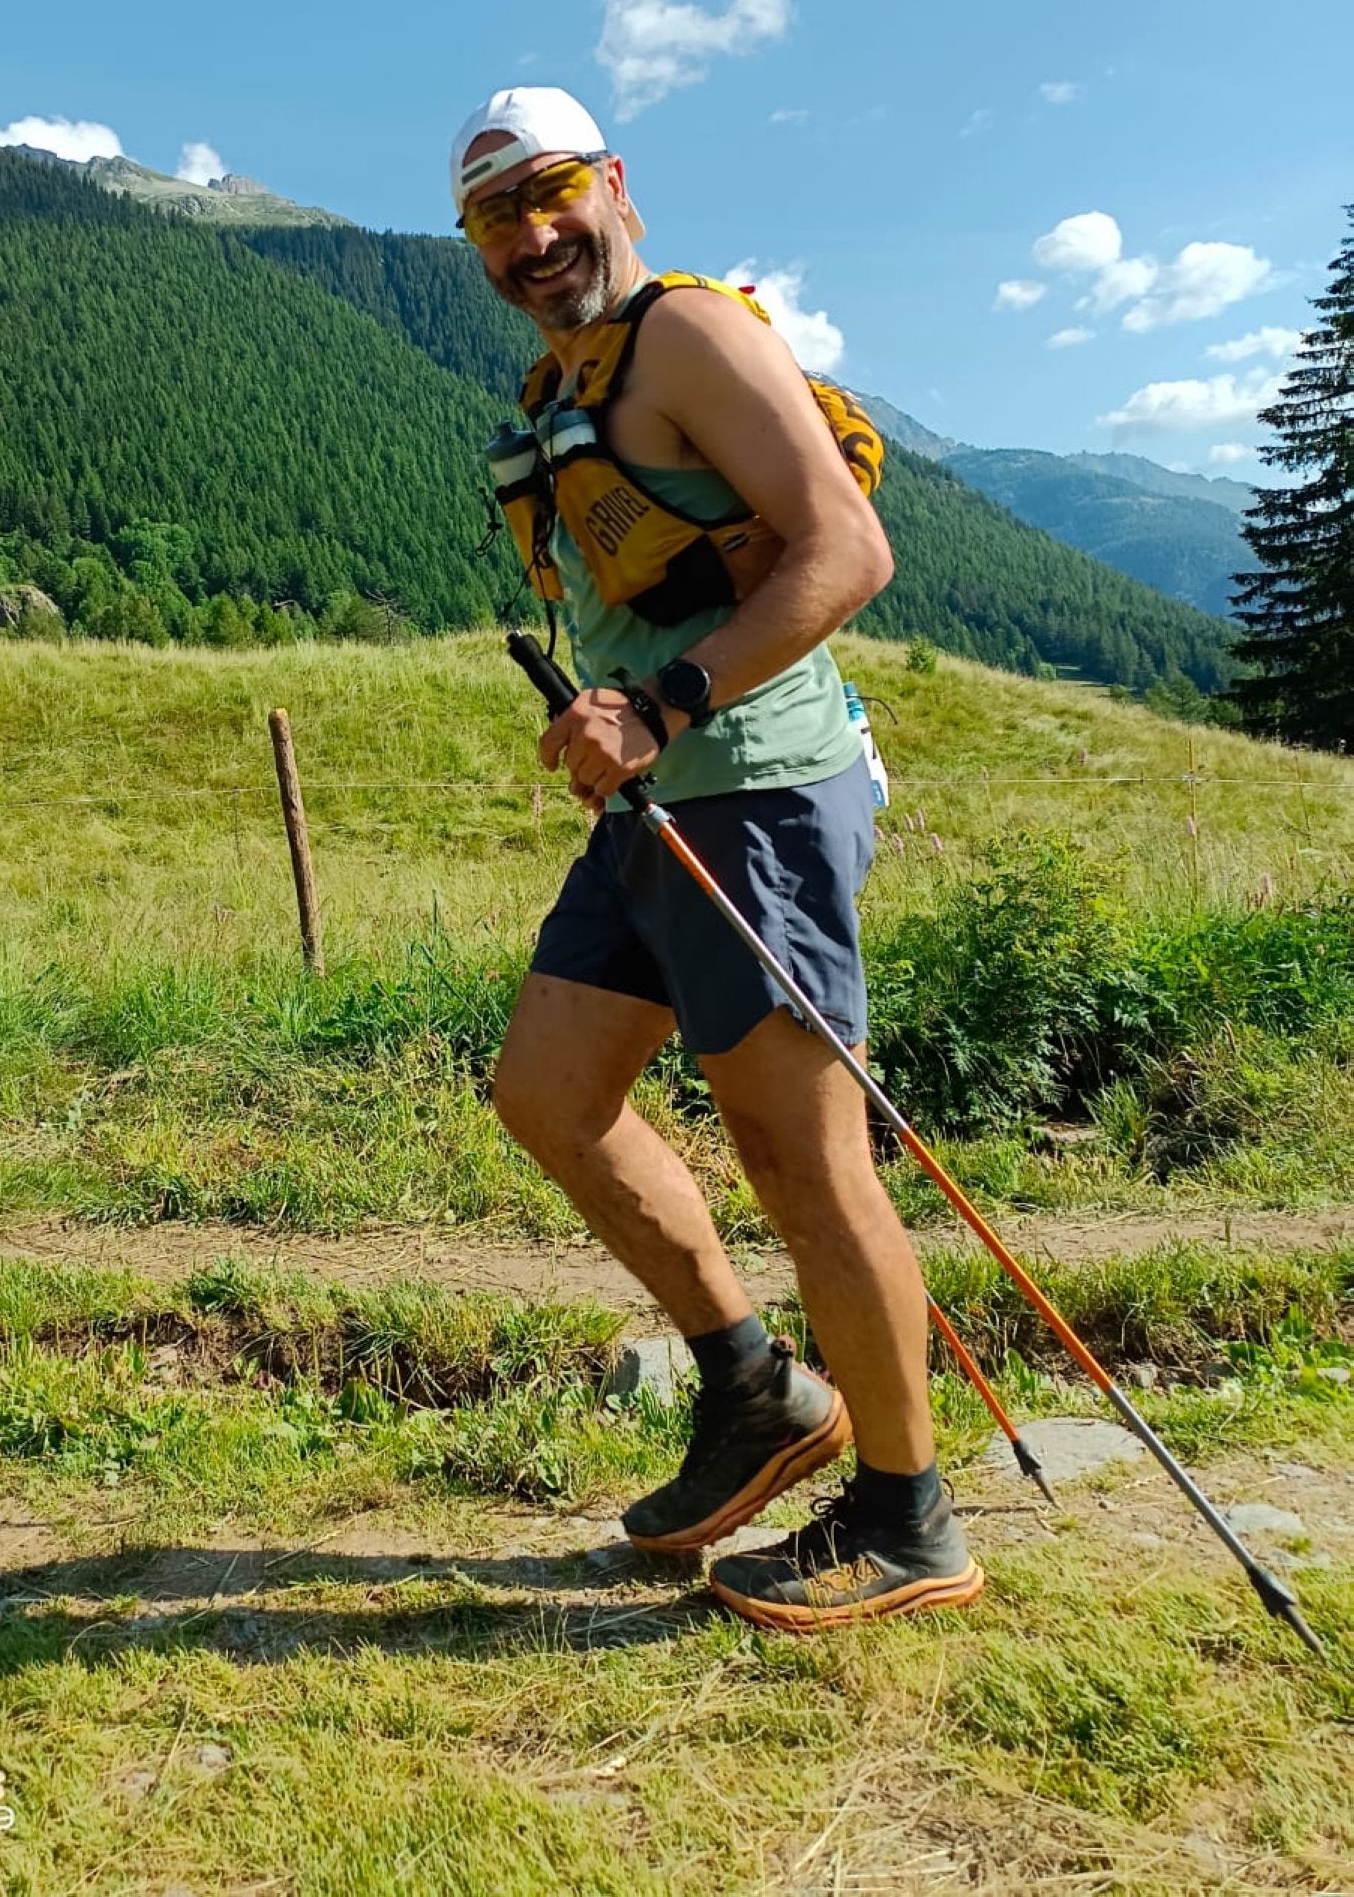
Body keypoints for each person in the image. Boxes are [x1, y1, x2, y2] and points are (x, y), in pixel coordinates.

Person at [453, 85, 982, 1631]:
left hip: (754, 795)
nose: (533, 236)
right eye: (497, 216)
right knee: (549, 1095)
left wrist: (665, 699)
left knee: (808, 1165)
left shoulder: (686, 335)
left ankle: (907, 1517)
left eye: (552, 194)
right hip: (654, 809)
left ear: (614, 182)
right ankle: (756, 1390)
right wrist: (620, 719)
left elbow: (848, 549)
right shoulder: (571, 373)